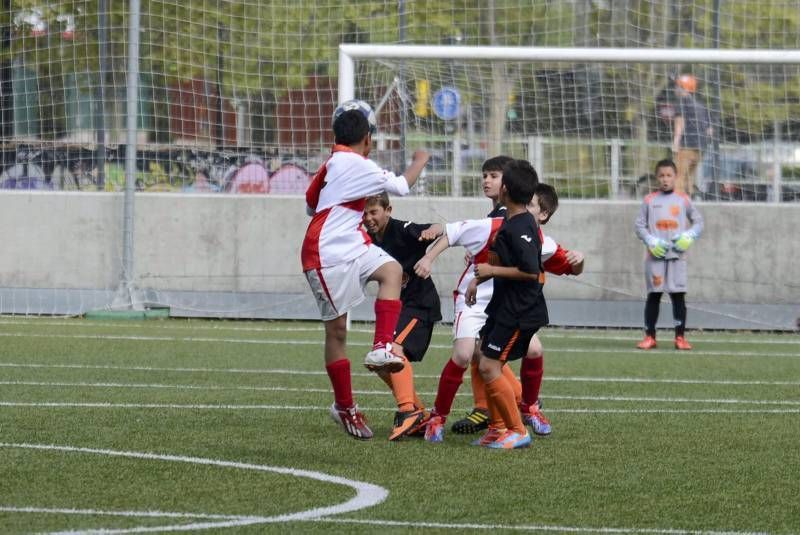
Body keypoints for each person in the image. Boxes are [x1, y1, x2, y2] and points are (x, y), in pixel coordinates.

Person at [414, 181, 584, 443]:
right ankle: (439, 417)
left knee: (522, 354)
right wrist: (429, 258)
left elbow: (568, 266)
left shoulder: (540, 241)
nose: (525, 208)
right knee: (465, 355)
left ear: (542, 214)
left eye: (532, 205)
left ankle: (524, 413)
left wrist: (578, 259)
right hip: (475, 303)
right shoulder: (494, 226)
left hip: (506, 308)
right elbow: (453, 233)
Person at [301, 101, 430, 439]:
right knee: (337, 333)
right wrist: (420, 160)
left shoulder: (332, 164)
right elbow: (402, 186)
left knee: (391, 270)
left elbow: (310, 202)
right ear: (368, 138)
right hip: (326, 253)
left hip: (353, 245)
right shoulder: (354, 164)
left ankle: (381, 345)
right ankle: (344, 405)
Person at [467, 159, 545, 449]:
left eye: (497, 179)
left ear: (507, 189)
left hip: (519, 311)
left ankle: (517, 429)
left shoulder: (522, 225)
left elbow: (530, 271)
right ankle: (499, 428)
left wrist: (490, 272)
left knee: (488, 366)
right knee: (484, 357)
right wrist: (478, 279)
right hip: (502, 306)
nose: (491, 183)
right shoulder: (511, 222)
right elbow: (499, 260)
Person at [362, 192, 443, 440]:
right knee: (380, 362)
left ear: (388, 210)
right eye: (364, 214)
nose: (368, 218)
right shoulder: (368, 239)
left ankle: (407, 411)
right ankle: (419, 414)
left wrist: (432, 232)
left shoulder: (403, 230)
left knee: (394, 351)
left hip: (419, 306)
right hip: (397, 309)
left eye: (373, 212)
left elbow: (440, 228)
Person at [634, 158, 704, 351]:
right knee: (654, 296)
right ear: (657, 178)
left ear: (675, 177)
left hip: (677, 257)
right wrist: (650, 240)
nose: (665, 179)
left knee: (678, 296)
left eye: (669, 175)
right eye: (662, 176)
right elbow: (639, 226)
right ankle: (650, 337)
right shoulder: (649, 200)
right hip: (654, 257)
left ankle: (680, 337)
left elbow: (699, 222)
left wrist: (688, 236)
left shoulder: (683, 199)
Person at [671, 74, 712, 197]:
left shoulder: (682, 103)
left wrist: (676, 142)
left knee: (678, 177)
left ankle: (677, 207)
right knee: (690, 178)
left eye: (677, 86)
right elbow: (709, 130)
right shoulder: (701, 105)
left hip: (686, 146)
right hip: (700, 147)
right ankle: (689, 204)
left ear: (683, 88)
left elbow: (680, 123)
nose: (675, 89)